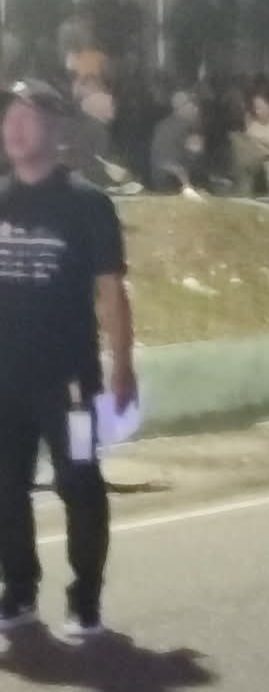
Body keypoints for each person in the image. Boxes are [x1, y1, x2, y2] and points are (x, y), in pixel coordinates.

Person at [0, 79, 137, 637]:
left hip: (71, 384)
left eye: (27, 116)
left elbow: (111, 291)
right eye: (9, 115)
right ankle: (18, 591)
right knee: (5, 487)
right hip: (5, 381)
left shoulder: (87, 204)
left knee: (79, 482)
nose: (14, 126)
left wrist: (122, 365)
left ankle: (85, 599)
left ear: (54, 129)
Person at [149, 90, 208, 196]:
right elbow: (164, 162)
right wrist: (186, 184)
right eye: (190, 104)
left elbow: (195, 162)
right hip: (169, 189)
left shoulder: (192, 128)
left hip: (191, 187)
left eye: (195, 104)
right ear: (179, 108)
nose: (195, 108)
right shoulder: (166, 129)